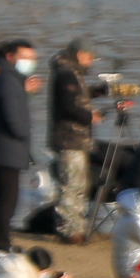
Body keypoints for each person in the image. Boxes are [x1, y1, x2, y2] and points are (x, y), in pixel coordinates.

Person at [0, 38, 40, 253]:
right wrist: (23, 132)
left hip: (5, 148)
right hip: (7, 148)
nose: (29, 62)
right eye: (24, 57)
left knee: (1, 196)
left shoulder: (10, 78)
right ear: (10, 57)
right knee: (7, 198)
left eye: (32, 58)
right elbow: (11, 116)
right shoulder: (7, 79)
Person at [49, 41, 99, 243]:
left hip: (75, 140)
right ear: (80, 54)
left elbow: (73, 98)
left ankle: (76, 227)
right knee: (71, 186)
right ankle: (69, 230)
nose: (91, 63)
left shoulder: (70, 73)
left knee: (78, 185)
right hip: (70, 139)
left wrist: (97, 92)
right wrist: (90, 117)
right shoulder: (67, 73)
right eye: (90, 58)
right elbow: (68, 106)